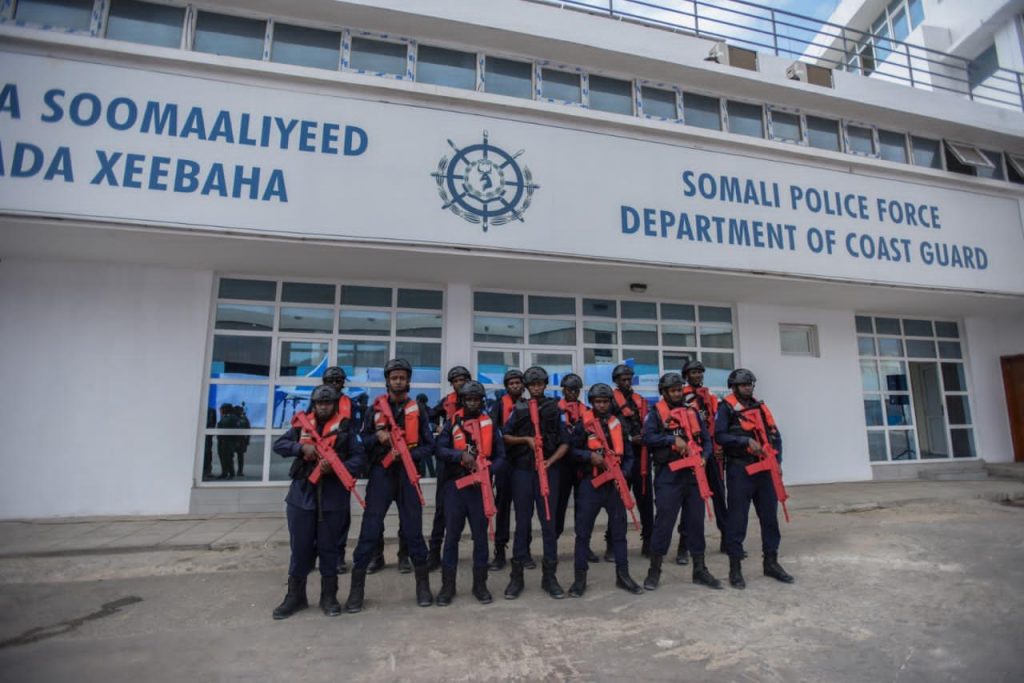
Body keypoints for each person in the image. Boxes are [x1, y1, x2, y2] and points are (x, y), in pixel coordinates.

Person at [345, 358, 436, 612]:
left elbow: (430, 446)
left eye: (402, 377)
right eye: (394, 377)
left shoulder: (417, 410)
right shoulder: (374, 409)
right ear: (387, 381)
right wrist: (378, 436)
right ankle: (356, 590)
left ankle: (423, 585)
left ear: (408, 381)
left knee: (414, 531)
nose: (398, 381)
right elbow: (361, 441)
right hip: (381, 475)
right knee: (370, 529)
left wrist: (407, 453)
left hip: (408, 475)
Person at [271, 384, 366, 619]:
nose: (323, 406)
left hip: (333, 498)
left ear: (335, 405)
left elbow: (360, 460)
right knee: (300, 548)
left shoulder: (346, 429)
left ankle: (329, 596)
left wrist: (335, 466)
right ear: (313, 404)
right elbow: (279, 445)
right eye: (319, 403)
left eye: (328, 403)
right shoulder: (301, 425)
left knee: (329, 549)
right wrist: (302, 448)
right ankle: (295, 596)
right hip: (302, 496)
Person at [715, 368, 795, 589]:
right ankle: (735, 568)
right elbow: (719, 435)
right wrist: (744, 442)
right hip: (740, 471)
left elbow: (775, 435)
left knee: (770, 518)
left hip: (765, 471)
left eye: (750, 384)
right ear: (734, 387)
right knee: (737, 520)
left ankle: (771, 562)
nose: (748, 388)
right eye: (743, 385)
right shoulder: (726, 408)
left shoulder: (760, 407)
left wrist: (777, 464)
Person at [642, 372, 721, 591]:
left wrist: (705, 457)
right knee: (664, 524)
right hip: (669, 476)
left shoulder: (692, 411)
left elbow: (706, 440)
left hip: (694, 475)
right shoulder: (655, 414)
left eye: (679, 389)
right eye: (673, 390)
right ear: (664, 392)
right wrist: (671, 439)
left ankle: (700, 570)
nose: (677, 393)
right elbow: (648, 438)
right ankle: (654, 571)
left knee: (695, 523)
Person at [568, 383, 644, 597]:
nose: (601, 405)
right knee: (583, 534)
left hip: (614, 486)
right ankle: (579, 579)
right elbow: (571, 450)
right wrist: (588, 456)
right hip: (590, 485)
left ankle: (623, 576)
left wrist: (624, 473)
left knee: (619, 533)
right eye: (597, 402)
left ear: (611, 402)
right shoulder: (583, 424)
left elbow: (629, 455)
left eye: (605, 401)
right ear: (591, 403)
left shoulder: (618, 423)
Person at [434, 380, 506, 605]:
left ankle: (480, 585)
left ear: (481, 401)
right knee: (452, 538)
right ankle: (448, 586)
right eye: (469, 399)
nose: (473, 403)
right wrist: (460, 456)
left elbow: (502, 456)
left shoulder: (490, 424)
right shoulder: (452, 423)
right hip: (456, 489)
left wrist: (488, 470)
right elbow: (440, 449)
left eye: (476, 399)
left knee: (481, 539)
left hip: (480, 489)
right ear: (463, 401)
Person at [502, 366, 570, 599]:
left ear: (544, 385)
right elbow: (506, 436)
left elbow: (565, 442)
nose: (536, 388)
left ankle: (549, 578)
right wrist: (527, 440)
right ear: (527, 387)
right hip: (523, 472)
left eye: (539, 384)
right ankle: (516, 578)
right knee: (522, 524)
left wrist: (551, 461)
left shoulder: (555, 408)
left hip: (548, 471)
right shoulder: (518, 408)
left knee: (549, 524)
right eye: (532, 385)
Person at [675, 359, 734, 564]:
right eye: (693, 372)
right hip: (692, 454)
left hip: (712, 453)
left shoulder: (710, 397)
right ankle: (684, 546)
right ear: (686, 375)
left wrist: (718, 448)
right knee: (691, 501)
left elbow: (717, 424)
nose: (698, 375)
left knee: (720, 497)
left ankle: (727, 540)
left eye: (700, 372)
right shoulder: (680, 397)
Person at [426, 365, 472, 572]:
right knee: (441, 510)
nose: (460, 382)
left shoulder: (477, 401)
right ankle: (434, 553)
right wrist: (438, 428)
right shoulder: (446, 403)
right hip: (448, 463)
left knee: (475, 511)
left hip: (472, 464)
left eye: (463, 379)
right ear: (452, 383)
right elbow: (429, 416)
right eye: (456, 380)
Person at [488, 368, 533, 571]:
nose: (515, 385)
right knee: (503, 508)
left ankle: (524, 552)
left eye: (518, 382)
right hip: (505, 463)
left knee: (525, 510)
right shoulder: (498, 406)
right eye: (511, 383)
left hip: (524, 463)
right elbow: (491, 432)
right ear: (506, 386)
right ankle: (500, 551)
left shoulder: (531, 405)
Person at [610, 364, 654, 558]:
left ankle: (649, 541)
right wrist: (628, 440)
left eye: (629, 379)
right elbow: (607, 428)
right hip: (621, 459)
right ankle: (612, 542)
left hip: (642, 457)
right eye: (623, 379)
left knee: (645, 502)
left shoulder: (641, 401)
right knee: (617, 503)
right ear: (616, 381)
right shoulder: (609, 401)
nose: (626, 382)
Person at [322, 367, 356, 575]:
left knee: (341, 515)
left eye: (338, 381)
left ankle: (338, 555)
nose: (335, 385)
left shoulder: (349, 404)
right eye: (331, 381)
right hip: (316, 463)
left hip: (341, 464)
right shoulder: (316, 402)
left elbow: (355, 432)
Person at [556, 373, 586, 542]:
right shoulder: (555, 410)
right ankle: (552, 543)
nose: (572, 393)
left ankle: (582, 544)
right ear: (564, 390)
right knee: (559, 506)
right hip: (561, 466)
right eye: (569, 390)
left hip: (581, 464)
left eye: (575, 390)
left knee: (582, 507)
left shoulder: (587, 411)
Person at [216, 403, 240, 479]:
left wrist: (236, 442)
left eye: (222, 409)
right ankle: (224, 472)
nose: (220, 411)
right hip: (222, 441)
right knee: (222, 457)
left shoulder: (233, 418)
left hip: (229, 442)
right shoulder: (224, 417)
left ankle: (231, 473)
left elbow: (236, 430)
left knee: (228, 458)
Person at [234, 405, 251, 478]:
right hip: (234, 440)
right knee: (231, 456)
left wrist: (247, 440)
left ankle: (240, 471)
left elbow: (248, 430)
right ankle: (232, 471)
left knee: (240, 456)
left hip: (241, 440)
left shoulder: (244, 419)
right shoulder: (234, 419)